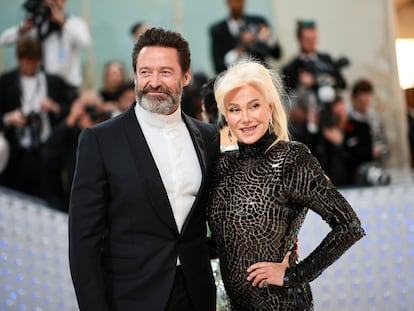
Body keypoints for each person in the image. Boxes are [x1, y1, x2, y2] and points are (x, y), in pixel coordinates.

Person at [69, 27, 219, 310]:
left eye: (165, 72)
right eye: (145, 72)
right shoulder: (100, 140)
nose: (154, 82)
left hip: (195, 294)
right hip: (130, 296)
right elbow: (83, 242)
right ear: (134, 74)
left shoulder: (209, 137)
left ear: (185, 76)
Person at [207, 60, 365, 310]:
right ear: (226, 115)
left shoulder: (291, 158)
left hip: (284, 304)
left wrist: (295, 275)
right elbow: (223, 241)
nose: (245, 118)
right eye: (235, 110)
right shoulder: (222, 166)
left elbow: (349, 226)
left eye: (254, 106)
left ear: (270, 107)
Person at [0, 35, 74, 202]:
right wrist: (8, 118)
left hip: (47, 150)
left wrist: (54, 107)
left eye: (32, 61)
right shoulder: (5, 82)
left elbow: (71, 107)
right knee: (15, 200)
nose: (28, 65)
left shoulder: (53, 82)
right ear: (19, 59)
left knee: (50, 199)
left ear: (38, 60)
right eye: (25, 61)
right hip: (16, 153)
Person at [0, 0, 91, 90]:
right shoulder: (37, 25)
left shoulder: (74, 23)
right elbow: (4, 40)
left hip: (66, 87)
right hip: (42, 87)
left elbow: (85, 41)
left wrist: (63, 21)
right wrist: (22, 28)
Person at [282, 20, 348, 109]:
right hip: (306, 111)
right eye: (308, 39)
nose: (312, 43)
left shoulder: (326, 59)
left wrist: (316, 81)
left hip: (330, 108)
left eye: (314, 39)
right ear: (299, 39)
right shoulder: (291, 68)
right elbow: (288, 97)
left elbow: (343, 84)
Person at [210, 0, 282, 74]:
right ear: (228, 2)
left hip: (260, 73)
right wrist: (241, 47)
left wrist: (268, 38)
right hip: (233, 78)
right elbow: (218, 66)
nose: (238, 4)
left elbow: (277, 54)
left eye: (241, 1)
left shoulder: (258, 22)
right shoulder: (218, 30)